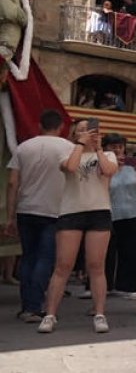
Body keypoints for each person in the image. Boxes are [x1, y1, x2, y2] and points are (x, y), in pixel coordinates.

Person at [38, 119, 118, 334]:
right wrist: (81, 145)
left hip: (99, 211)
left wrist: (99, 147)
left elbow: (109, 170)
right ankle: (50, 315)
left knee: (96, 265)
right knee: (62, 265)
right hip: (71, 212)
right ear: (74, 135)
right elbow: (71, 167)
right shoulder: (67, 154)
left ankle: (100, 313)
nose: (86, 133)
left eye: (90, 130)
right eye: (80, 131)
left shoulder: (108, 154)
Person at [5, 109, 71, 323]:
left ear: (40, 125)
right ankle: (34, 306)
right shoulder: (69, 148)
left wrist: (9, 215)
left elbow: (12, 182)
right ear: (60, 127)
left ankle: (27, 306)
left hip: (26, 209)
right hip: (55, 210)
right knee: (45, 258)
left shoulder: (24, 148)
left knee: (28, 257)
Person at [103, 134, 136, 317]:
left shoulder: (133, 168)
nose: (117, 150)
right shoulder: (103, 170)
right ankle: (99, 303)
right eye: (112, 147)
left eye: (120, 147)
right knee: (106, 260)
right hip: (112, 218)